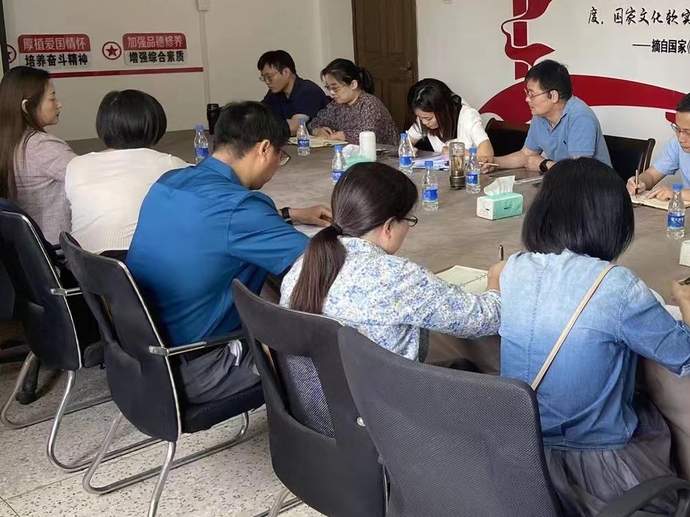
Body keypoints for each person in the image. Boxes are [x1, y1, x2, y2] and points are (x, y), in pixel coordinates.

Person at [499, 158, 690, 517]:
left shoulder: (514, 271)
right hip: (597, 478)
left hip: (522, 468)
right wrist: (687, 303)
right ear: (611, 221)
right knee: (676, 459)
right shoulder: (614, 285)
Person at [127, 101, 331, 402]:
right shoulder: (242, 207)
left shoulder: (170, 181)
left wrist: (290, 214)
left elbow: (217, 224)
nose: (278, 165)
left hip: (144, 356)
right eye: (280, 155)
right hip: (200, 367)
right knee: (329, 338)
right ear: (264, 149)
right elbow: (320, 262)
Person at [282, 161, 503, 363]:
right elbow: (485, 319)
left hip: (318, 393)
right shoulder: (398, 277)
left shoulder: (304, 264)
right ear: (388, 227)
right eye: (408, 220)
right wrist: (496, 282)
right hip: (387, 394)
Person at [65, 90, 188, 253]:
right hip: (136, 262)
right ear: (154, 126)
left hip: (82, 262)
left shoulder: (76, 165)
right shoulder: (169, 164)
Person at [487, 60, 611, 173]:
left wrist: (544, 164)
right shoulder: (540, 115)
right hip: (562, 183)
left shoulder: (580, 117)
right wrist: (493, 163)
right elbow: (526, 155)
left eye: (532, 94)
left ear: (553, 96)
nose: (527, 99)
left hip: (595, 187)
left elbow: (578, 171)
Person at [0, 66, 75, 243]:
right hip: (55, 248)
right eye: (52, 98)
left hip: (25, 247)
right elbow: (90, 178)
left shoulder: (8, 141)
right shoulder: (40, 146)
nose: (59, 104)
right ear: (26, 106)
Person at [307, 59, 398, 146]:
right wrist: (317, 130)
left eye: (335, 88)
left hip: (383, 154)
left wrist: (344, 136)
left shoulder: (369, 104)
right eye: (328, 88)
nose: (331, 92)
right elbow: (313, 123)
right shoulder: (335, 105)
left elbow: (366, 135)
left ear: (353, 84)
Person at [406, 78, 494, 162]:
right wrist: (409, 149)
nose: (424, 122)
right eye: (420, 118)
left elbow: (487, 154)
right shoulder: (423, 118)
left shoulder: (468, 116)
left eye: (428, 118)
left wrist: (456, 151)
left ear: (443, 110)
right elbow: (406, 142)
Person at [258, 49, 328, 136]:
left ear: (286, 72)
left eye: (269, 77)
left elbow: (295, 127)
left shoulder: (308, 90)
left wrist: (263, 125)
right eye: (264, 78)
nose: (267, 82)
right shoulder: (274, 93)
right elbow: (259, 116)